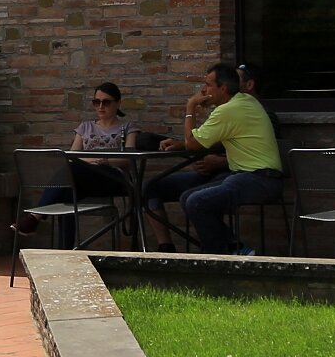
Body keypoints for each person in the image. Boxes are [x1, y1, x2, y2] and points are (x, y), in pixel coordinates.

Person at [143, 62, 284, 255]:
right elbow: (203, 141)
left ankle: (214, 258)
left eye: (208, 85)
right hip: (249, 176)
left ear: (223, 88)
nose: (203, 90)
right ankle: (234, 248)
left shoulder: (229, 110)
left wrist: (191, 106)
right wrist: (182, 144)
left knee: (197, 201)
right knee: (188, 197)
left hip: (260, 179)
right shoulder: (244, 101)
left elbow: (193, 145)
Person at [14, 82, 140, 243]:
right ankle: (65, 250)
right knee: (67, 194)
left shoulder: (128, 127)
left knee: (72, 170)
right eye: (96, 102)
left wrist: (106, 160)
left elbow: (128, 158)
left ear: (118, 103)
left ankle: (35, 217)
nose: (101, 106)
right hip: (86, 177)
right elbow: (71, 156)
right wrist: (90, 161)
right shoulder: (85, 127)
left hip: (112, 177)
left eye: (106, 102)